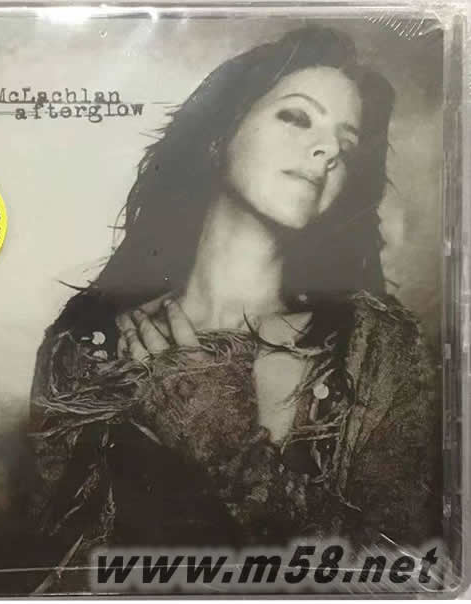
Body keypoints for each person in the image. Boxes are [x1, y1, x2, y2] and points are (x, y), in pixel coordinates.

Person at [22, 25, 442, 593]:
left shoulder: (381, 353)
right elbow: (52, 569)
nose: (327, 152)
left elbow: (397, 583)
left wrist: (215, 429)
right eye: (297, 117)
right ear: (219, 136)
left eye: (345, 145)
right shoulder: (86, 343)